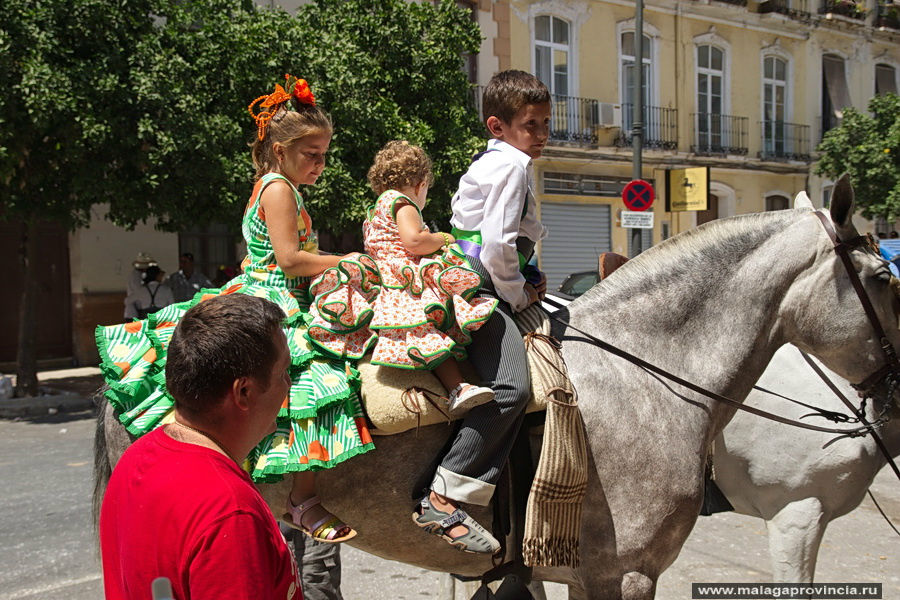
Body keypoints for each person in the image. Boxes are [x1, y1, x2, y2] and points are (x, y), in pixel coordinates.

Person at [95, 75, 373, 545]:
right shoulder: (279, 188)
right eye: (313, 154)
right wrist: (351, 260)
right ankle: (301, 499)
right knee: (315, 375)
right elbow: (288, 260)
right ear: (281, 150)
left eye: (325, 154)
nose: (321, 165)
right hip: (273, 297)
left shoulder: (280, 186)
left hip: (275, 289)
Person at [410, 70, 551, 554]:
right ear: (498, 126)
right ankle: (444, 492)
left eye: (545, 124)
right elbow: (494, 246)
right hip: (482, 287)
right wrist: (518, 295)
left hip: (484, 278)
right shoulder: (512, 167)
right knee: (512, 388)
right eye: (531, 125)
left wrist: (530, 278)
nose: (542, 135)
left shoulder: (496, 162)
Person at [100, 294, 302, 599]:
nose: (289, 385)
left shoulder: (135, 458)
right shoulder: (231, 513)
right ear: (243, 392)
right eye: (283, 373)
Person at [307, 140, 497, 414]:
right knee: (425, 330)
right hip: (401, 281)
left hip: (382, 281)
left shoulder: (375, 209)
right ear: (421, 184)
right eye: (426, 192)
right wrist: (444, 237)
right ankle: (459, 387)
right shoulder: (403, 202)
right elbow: (414, 242)